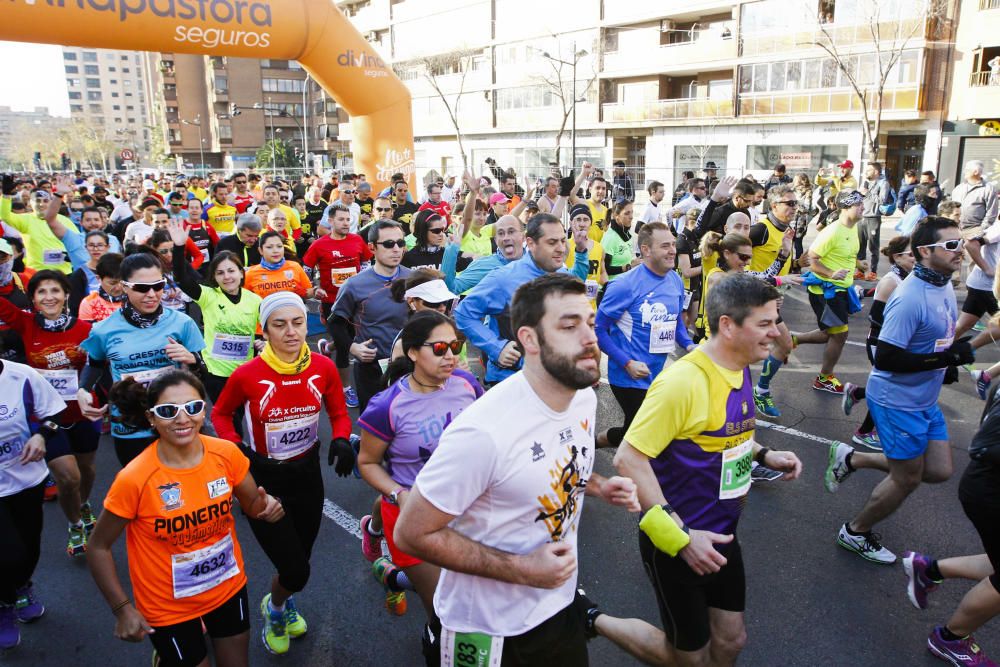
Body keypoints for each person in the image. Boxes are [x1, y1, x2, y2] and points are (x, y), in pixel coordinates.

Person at [395, 273, 641, 666]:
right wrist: (524, 570)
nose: (590, 339)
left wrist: (596, 485)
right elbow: (410, 533)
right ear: (528, 339)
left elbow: (553, 467)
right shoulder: (482, 433)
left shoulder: (582, 400)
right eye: (569, 326)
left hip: (557, 607)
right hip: (486, 630)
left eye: (590, 323)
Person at [612, 273, 802, 666]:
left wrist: (765, 455)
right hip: (679, 544)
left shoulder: (739, 365)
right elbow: (628, 459)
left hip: (722, 537)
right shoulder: (683, 382)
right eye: (765, 324)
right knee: (690, 658)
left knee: (732, 641)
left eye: (775, 322)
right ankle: (594, 619)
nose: (776, 334)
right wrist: (681, 538)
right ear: (728, 326)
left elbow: (724, 433)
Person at [87, 370, 284, 667]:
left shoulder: (226, 454)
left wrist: (269, 507)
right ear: (151, 418)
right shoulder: (134, 478)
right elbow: (98, 546)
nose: (183, 419)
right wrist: (123, 609)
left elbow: (254, 506)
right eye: (169, 411)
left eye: (193, 408)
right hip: (167, 605)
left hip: (226, 587)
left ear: (203, 410)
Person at [212, 293, 353, 656]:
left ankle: (281, 599)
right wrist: (234, 448)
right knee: (295, 569)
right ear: (265, 329)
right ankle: (275, 609)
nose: (291, 332)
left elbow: (337, 412)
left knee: (300, 560)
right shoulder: (247, 375)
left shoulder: (323, 367)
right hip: (262, 477)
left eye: (298, 323)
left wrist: (339, 439)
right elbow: (220, 414)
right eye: (280, 324)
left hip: (307, 474)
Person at [825, 216, 970, 564]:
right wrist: (945, 359)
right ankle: (855, 531)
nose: (961, 251)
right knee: (907, 478)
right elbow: (887, 358)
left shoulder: (943, 283)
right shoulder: (910, 297)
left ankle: (853, 458)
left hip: (924, 398)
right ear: (924, 251)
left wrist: (944, 363)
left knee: (938, 471)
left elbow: (931, 344)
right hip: (896, 401)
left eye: (961, 242)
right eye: (951, 245)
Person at [358, 310, 483, 660]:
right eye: (440, 348)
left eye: (455, 346)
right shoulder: (387, 406)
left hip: (465, 508)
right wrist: (400, 493)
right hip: (413, 516)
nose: (451, 356)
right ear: (413, 353)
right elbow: (367, 463)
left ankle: (394, 578)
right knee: (445, 613)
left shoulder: (466, 384)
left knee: (471, 592)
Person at [901, 367, 1000, 666]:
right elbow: (986, 446)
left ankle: (929, 570)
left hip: (985, 482)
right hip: (989, 488)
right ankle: (950, 638)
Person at [0, 269, 99, 557]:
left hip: (81, 412)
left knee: (85, 472)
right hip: (45, 417)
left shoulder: (85, 329)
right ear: (32, 299)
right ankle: (76, 523)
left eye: (55, 290)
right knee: (68, 478)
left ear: (66, 294)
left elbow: (100, 363)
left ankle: (82, 504)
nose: (49, 297)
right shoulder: (26, 323)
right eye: (41, 292)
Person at [77, 252, 206, 466]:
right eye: (142, 288)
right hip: (130, 425)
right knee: (142, 491)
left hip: (175, 418)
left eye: (158, 286)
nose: (152, 294)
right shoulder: (104, 329)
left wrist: (192, 360)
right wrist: (82, 390)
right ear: (124, 286)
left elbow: (204, 371)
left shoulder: (182, 323)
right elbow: (95, 364)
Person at [453, 213, 589, 386]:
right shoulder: (503, 278)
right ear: (531, 243)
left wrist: (581, 252)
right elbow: (463, 314)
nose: (561, 248)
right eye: (552, 242)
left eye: (563, 241)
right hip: (512, 381)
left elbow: (576, 283)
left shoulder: (561, 274)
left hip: (553, 379)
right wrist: (496, 347)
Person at [596, 221, 696, 452]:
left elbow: (676, 322)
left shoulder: (675, 280)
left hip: (657, 373)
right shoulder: (623, 285)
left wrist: (690, 346)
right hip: (628, 377)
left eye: (673, 244)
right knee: (644, 437)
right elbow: (599, 330)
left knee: (633, 432)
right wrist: (627, 363)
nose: (673, 250)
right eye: (665, 246)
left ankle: (592, 444)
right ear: (646, 250)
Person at [0, 360, 65, 649]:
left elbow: (54, 415)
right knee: (8, 553)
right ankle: (4, 605)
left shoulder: (21, 376)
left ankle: (23, 585)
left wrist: (41, 435)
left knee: (29, 547)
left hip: (27, 479)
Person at [167, 221, 262, 401]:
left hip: (245, 371)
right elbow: (181, 279)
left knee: (246, 418)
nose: (227, 277)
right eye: (220, 273)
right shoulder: (208, 296)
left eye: (231, 271)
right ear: (215, 277)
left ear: (242, 273)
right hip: (215, 373)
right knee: (229, 421)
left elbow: (268, 329)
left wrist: (262, 342)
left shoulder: (255, 300)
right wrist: (179, 247)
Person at [842, 235, 916, 451]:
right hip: (881, 342)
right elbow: (875, 316)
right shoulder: (892, 280)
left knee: (889, 386)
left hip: (897, 343)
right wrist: (900, 332)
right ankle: (864, 432)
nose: (915, 258)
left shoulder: (907, 277)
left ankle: (857, 393)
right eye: (911, 254)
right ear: (897, 257)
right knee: (888, 388)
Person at [330, 220, 412, 412]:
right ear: (372, 247)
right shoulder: (354, 285)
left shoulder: (413, 279)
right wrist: (352, 347)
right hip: (372, 368)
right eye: (389, 244)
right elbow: (335, 323)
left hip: (410, 364)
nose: (396, 249)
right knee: (374, 424)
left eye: (400, 243)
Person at [795, 189, 867, 394]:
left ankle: (794, 340)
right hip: (826, 291)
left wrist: (859, 264)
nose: (863, 207)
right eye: (858, 204)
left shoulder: (853, 228)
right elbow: (812, 260)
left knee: (830, 334)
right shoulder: (832, 231)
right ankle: (824, 378)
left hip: (842, 290)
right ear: (845, 207)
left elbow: (845, 255)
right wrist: (831, 273)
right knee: (840, 335)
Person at [303, 201, 373, 408]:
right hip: (332, 303)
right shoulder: (319, 245)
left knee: (351, 337)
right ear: (330, 221)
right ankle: (346, 388)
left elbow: (367, 263)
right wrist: (314, 288)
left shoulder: (357, 240)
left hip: (356, 300)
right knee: (345, 347)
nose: (345, 223)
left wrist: (363, 281)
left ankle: (327, 346)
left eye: (348, 219)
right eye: (341, 219)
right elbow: (305, 270)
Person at [749, 183, 799, 417]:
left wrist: (799, 263)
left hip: (772, 297)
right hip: (754, 299)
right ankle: (757, 392)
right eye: (790, 203)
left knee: (781, 345)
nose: (794, 208)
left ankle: (758, 391)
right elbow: (734, 258)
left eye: (796, 203)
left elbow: (783, 263)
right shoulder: (761, 229)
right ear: (773, 204)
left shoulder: (787, 230)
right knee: (780, 344)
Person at [243, 231, 313, 300]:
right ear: (261, 250)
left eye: (279, 246)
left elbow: (308, 293)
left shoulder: (295, 266)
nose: (275, 250)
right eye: (269, 247)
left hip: (292, 310)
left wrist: (315, 291)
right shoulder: (250, 274)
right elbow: (243, 300)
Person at [564, 204, 607, 305]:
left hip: (591, 309)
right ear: (571, 223)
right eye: (578, 219)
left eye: (586, 219)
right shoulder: (565, 245)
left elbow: (601, 272)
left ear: (591, 223)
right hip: (571, 305)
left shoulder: (599, 247)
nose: (582, 224)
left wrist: (608, 287)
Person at [857, 161, 891, 281]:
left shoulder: (883, 183)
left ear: (876, 172)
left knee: (873, 247)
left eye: (869, 170)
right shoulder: (865, 182)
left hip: (873, 218)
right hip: (861, 217)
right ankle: (860, 271)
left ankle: (873, 272)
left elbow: (882, 200)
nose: (866, 172)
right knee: (860, 246)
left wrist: (867, 193)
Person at [78, 252, 126, 323]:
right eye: (112, 283)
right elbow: (87, 332)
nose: (119, 287)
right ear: (98, 278)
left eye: (123, 282)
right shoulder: (89, 303)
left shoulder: (134, 299)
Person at [603, 201, 637, 283]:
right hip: (612, 288)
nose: (631, 217)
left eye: (632, 212)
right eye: (627, 213)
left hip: (624, 285)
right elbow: (604, 269)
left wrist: (636, 262)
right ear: (616, 216)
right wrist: (627, 267)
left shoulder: (626, 234)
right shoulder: (610, 238)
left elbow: (621, 261)